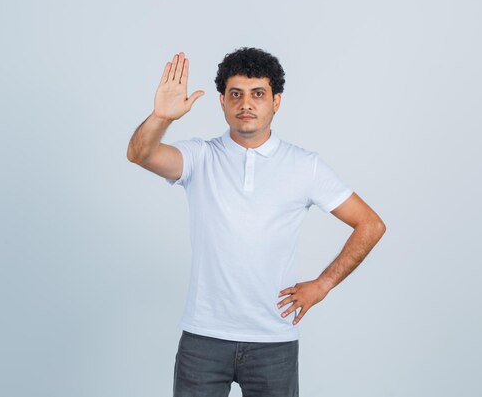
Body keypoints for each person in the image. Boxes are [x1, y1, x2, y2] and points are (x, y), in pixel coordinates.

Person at [127, 47, 386, 397]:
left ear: (276, 101)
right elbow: (139, 154)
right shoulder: (200, 157)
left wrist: (323, 285)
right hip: (204, 338)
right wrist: (162, 117)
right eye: (236, 94)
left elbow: (370, 225)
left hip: (273, 342)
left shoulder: (304, 166)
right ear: (222, 101)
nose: (246, 103)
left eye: (258, 94)